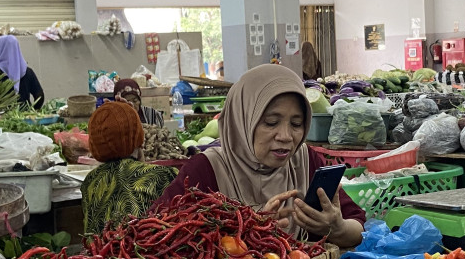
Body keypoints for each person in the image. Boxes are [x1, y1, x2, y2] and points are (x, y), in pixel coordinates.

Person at [153, 63, 364, 247]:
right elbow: (155, 236)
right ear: (243, 120)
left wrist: (337, 228)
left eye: (296, 124)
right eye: (271, 123)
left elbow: (358, 227)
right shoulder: (206, 170)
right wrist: (245, 231)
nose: (285, 136)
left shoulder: (305, 161)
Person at [81, 102, 177, 235]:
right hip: (144, 253)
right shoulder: (163, 175)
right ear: (138, 138)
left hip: (96, 254)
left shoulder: (90, 181)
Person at [0, 35, 44, 108]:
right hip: (25, 116)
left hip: (1, 117)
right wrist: (33, 112)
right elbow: (39, 96)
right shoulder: (27, 71)